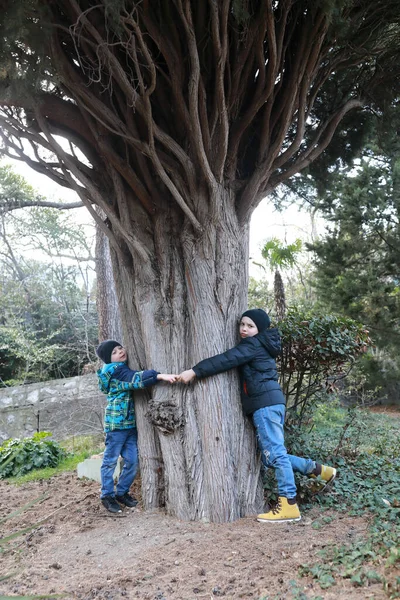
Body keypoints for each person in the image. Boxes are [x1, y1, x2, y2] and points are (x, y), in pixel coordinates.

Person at [178, 309, 336, 523]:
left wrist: (195, 371)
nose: (244, 329)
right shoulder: (262, 344)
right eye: (242, 324)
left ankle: (289, 505)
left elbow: (226, 359)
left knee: (276, 454)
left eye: (250, 326)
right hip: (271, 403)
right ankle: (319, 471)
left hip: (265, 404)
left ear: (259, 329)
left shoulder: (252, 345)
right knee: (271, 457)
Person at [96, 339, 177, 514]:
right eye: (115, 352)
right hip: (116, 426)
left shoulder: (120, 368)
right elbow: (134, 379)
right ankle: (107, 495)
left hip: (129, 425)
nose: (120, 351)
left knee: (132, 460)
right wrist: (159, 376)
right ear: (109, 359)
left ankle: (122, 492)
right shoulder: (115, 371)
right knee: (110, 462)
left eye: (120, 348)